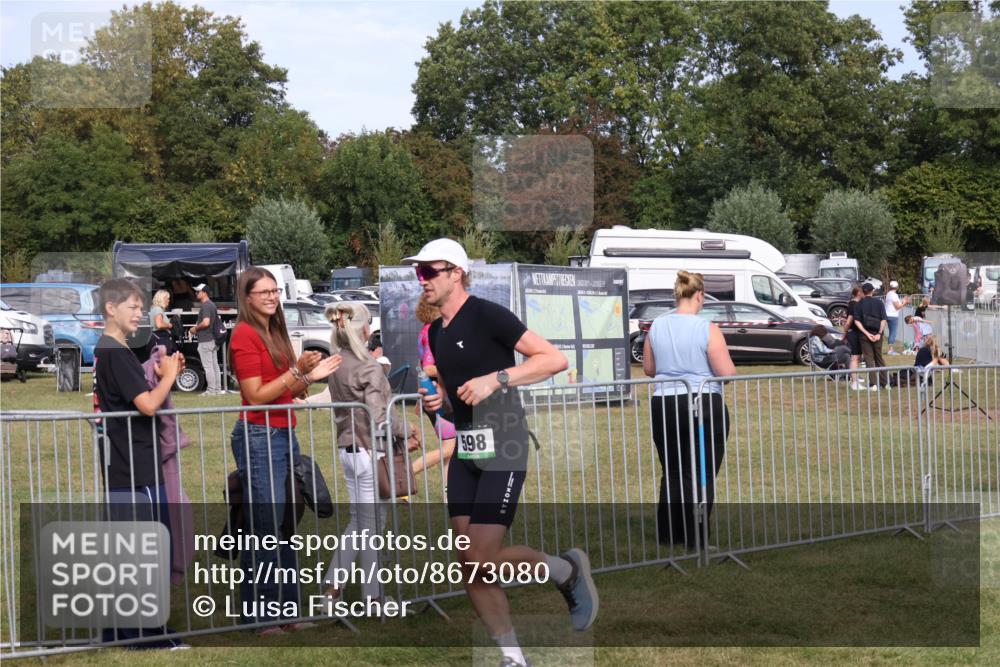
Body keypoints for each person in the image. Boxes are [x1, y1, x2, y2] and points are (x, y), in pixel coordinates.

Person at [410, 238, 597, 667]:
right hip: (467, 449)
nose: (422, 281)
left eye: (429, 272)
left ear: (456, 272)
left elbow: (553, 359)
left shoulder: (487, 313)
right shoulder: (437, 332)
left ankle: (564, 570)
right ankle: (513, 658)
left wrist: (498, 378)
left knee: (483, 555)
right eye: (418, 274)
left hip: (506, 444)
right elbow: (458, 394)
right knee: (470, 565)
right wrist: (440, 402)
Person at [228, 267, 341, 633]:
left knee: (284, 524)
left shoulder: (275, 331)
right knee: (264, 528)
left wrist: (306, 373)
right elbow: (257, 394)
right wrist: (298, 374)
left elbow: (290, 391)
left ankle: (288, 612)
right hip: (259, 435)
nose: (272, 297)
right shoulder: (244, 335)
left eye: (275, 291)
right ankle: (260, 616)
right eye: (263, 292)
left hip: (282, 433)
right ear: (247, 297)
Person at [93, 278, 188, 649]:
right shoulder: (115, 352)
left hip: (127, 466)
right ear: (110, 308)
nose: (139, 314)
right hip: (136, 470)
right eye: (132, 307)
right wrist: (169, 377)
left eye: (140, 307)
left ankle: (120, 632)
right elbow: (147, 404)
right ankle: (145, 635)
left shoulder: (111, 350)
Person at [320, 302, 418, 604]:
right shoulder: (368, 366)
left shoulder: (338, 363)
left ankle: (338, 589)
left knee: (360, 522)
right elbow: (380, 416)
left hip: (348, 448)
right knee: (371, 525)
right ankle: (369, 597)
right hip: (369, 450)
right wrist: (407, 428)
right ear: (364, 328)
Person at [642, 271, 737, 550]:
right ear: (700, 295)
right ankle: (697, 538)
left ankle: (670, 535)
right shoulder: (707, 328)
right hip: (702, 402)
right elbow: (726, 372)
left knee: (672, 470)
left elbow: (649, 368)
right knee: (703, 471)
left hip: (665, 403)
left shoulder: (656, 326)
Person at [412, 294, 457, 480]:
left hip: (433, 395)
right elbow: (428, 367)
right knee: (449, 449)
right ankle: (404, 475)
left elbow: (421, 366)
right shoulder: (432, 331)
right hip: (438, 397)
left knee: (451, 452)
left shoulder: (425, 330)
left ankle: (450, 496)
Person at [189, 284, 223, 395]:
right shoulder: (212, 304)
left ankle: (211, 390)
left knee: (209, 367)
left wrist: (194, 328)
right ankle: (217, 389)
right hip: (212, 339)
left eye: (198, 291)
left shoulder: (206, 306)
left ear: (204, 292)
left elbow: (206, 322)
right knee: (214, 366)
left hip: (206, 339)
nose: (196, 293)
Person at [855, 282, 889, 391]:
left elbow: (857, 321)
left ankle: (873, 384)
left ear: (862, 292)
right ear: (872, 291)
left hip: (865, 335)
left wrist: (866, 333)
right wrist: (879, 333)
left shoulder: (858, 304)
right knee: (879, 358)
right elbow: (883, 319)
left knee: (869, 359)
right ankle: (885, 383)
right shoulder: (879, 303)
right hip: (877, 333)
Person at [843, 286, 865, 390]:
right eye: (862, 292)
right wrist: (846, 330)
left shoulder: (856, 303)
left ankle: (855, 381)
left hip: (856, 332)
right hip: (854, 333)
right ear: (859, 293)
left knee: (857, 357)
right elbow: (850, 318)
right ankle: (854, 382)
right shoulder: (853, 304)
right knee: (855, 357)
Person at [883, 280, 909, 355]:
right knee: (893, 332)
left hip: (887, 314)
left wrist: (902, 302)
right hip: (893, 315)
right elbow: (897, 307)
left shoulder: (888, 294)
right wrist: (904, 303)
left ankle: (890, 349)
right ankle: (890, 349)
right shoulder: (894, 295)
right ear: (897, 287)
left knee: (890, 332)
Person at [148, 289, 176, 354]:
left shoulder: (155, 309)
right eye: (167, 298)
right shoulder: (158, 309)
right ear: (162, 299)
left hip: (159, 338)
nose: (169, 301)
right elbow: (159, 324)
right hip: (161, 339)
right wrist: (170, 325)